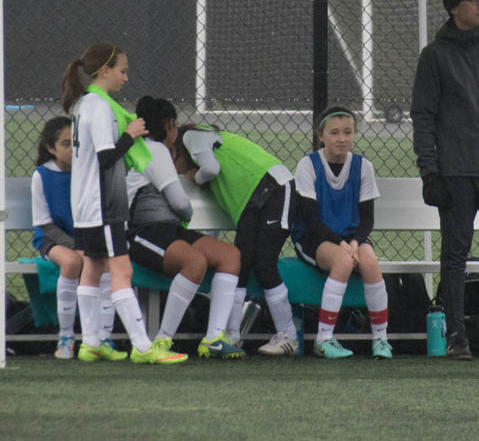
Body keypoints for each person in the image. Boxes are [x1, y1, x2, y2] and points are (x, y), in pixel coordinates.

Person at [61, 42, 187, 365]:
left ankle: (90, 342)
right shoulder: (99, 107)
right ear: (104, 71)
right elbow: (106, 157)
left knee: (93, 268)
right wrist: (130, 134)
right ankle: (144, 347)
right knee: (122, 269)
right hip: (104, 205)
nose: (125, 77)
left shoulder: (85, 105)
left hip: (87, 203)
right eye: (122, 70)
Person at [410, 0, 479, 361]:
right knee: (455, 256)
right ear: (454, 8)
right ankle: (456, 336)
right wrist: (430, 172)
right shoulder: (435, 56)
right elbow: (423, 116)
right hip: (456, 175)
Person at [127, 96, 245, 359]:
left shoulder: (150, 149)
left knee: (229, 255)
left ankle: (214, 337)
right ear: (169, 126)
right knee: (195, 262)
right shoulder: (153, 150)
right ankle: (162, 341)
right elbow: (181, 204)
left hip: (169, 231)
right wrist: (188, 213)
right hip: (142, 232)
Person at [174, 124, 301, 356]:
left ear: (179, 149)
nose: (176, 168)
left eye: (174, 158)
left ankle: (289, 336)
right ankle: (231, 335)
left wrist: (194, 177)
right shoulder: (211, 170)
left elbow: (210, 169)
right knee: (238, 267)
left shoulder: (193, 135)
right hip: (252, 201)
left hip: (275, 186)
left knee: (265, 264)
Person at [291, 106, 392, 359]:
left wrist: (356, 242)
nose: (342, 138)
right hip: (314, 238)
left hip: (350, 240)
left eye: (348, 132)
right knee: (343, 260)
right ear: (321, 135)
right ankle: (324, 339)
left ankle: (381, 339)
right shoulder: (308, 165)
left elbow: (367, 218)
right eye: (334, 132)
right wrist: (344, 246)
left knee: (369, 260)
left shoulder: (363, 166)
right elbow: (311, 219)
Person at [30, 116, 120, 359]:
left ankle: (104, 337)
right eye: (65, 144)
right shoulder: (42, 176)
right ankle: (66, 336)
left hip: (85, 236)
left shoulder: (89, 171)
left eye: (76, 143)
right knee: (72, 262)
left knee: (104, 263)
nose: (72, 149)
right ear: (51, 148)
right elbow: (45, 225)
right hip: (52, 239)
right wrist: (77, 245)